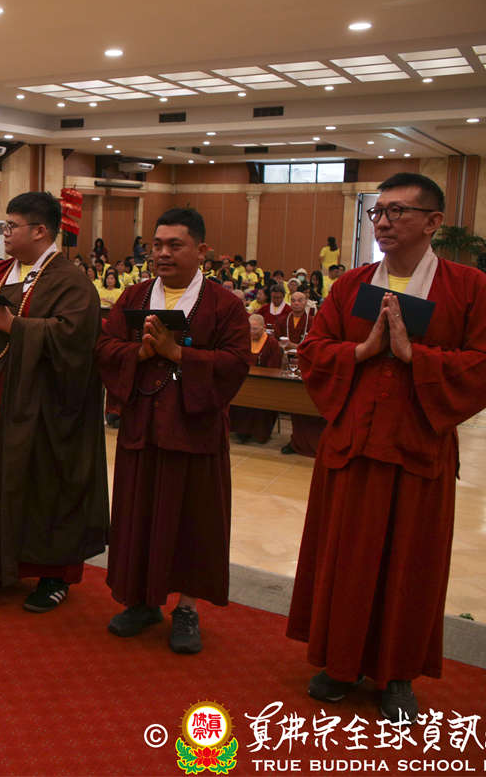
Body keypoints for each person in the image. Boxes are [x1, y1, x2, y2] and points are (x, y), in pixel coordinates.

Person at [287, 173, 486, 722]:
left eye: (398, 212)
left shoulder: (467, 287)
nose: (383, 222)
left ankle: (398, 673)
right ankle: (340, 663)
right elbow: (314, 350)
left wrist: (417, 357)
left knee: (410, 565)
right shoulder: (352, 285)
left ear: (433, 222)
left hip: (417, 449)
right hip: (354, 446)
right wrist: (362, 351)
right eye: (378, 212)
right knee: (346, 557)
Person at [0, 191, 108, 613]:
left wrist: (13, 325)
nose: (5, 233)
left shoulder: (70, 281)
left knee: (43, 487)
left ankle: (54, 576)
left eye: (12, 226)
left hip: (43, 409)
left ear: (40, 231)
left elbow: (75, 339)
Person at [95, 207, 250, 654]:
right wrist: (141, 354)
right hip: (142, 426)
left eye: (174, 245)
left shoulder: (224, 304)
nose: (162, 254)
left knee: (192, 521)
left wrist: (178, 353)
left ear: (202, 251)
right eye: (157, 245)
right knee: (139, 513)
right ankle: (141, 601)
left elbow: (237, 363)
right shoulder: (134, 297)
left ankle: (186, 608)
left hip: (193, 430)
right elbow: (104, 347)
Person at [280, 292, 325, 457]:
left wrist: (294, 346)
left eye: (300, 300)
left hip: (309, 365)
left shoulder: (313, 321)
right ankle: (296, 441)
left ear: (306, 302)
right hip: (285, 363)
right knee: (294, 404)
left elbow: (316, 343)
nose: (296, 303)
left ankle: (312, 443)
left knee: (307, 405)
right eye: (293, 300)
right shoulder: (282, 320)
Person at [229, 314, 285, 444]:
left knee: (260, 399)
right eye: (249, 328)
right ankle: (241, 431)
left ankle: (259, 433)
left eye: (255, 329)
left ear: (263, 328)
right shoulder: (243, 340)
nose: (251, 332)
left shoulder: (271, 343)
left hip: (264, 384)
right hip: (244, 381)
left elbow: (274, 368)